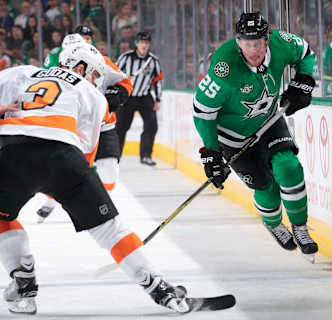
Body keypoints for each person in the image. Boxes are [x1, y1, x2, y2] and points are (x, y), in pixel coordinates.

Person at [0, 41, 190, 314]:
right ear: (79, 66)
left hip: (13, 151)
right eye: (94, 74)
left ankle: (23, 280)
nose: (95, 80)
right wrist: (67, 188)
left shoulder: (24, 72)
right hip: (65, 157)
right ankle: (159, 288)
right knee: (110, 228)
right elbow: (86, 151)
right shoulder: (93, 94)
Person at [193, 12, 318, 258]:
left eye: (258, 43)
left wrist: (304, 79)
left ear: (267, 39)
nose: (253, 50)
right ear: (238, 42)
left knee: (288, 166)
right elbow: (202, 111)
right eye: (247, 44)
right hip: (232, 137)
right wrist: (211, 152)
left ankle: (301, 227)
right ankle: (273, 224)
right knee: (265, 187)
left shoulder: (282, 43)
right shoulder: (224, 66)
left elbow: (305, 52)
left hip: (270, 120)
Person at [37, 26, 133, 223]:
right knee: (65, 167)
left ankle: (101, 201)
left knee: (109, 170)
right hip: (72, 123)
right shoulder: (55, 61)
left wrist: (116, 96)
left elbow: (125, 83)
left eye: (88, 38)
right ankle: (52, 200)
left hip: (102, 124)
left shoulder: (100, 60)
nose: (86, 42)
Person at [116, 31, 163, 166]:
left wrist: (158, 99)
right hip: (127, 97)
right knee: (120, 128)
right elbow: (115, 74)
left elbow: (158, 80)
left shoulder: (153, 61)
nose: (144, 45)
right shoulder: (125, 58)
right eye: (141, 42)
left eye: (146, 43)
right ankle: (116, 156)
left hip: (144, 97)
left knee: (152, 125)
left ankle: (146, 156)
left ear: (149, 45)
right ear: (136, 44)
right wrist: (117, 94)